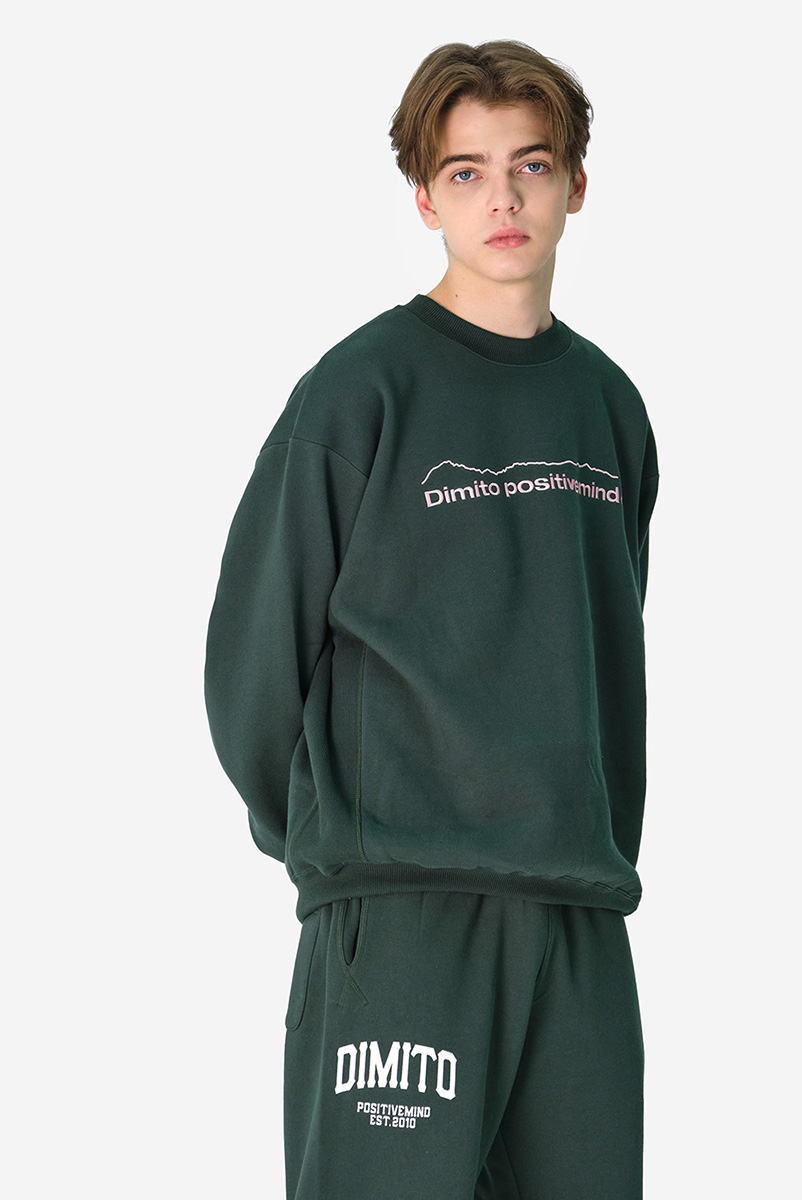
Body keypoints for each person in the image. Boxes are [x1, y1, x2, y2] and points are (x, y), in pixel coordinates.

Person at [205, 39, 660, 1200]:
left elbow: (601, 644)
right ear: (424, 197)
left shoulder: (609, 407)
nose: (502, 200)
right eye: (466, 173)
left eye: (531, 165)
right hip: (402, 921)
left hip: (578, 922)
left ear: (576, 185)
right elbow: (252, 668)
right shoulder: (358, 394)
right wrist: (351, 845)